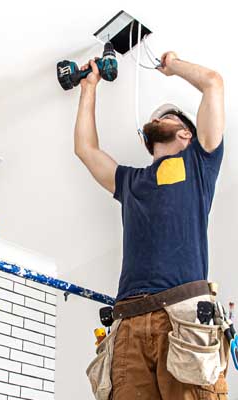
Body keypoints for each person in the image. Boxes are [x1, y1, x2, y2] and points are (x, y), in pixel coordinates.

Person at [74, 51, 227, 400]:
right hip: (129, 321)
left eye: (169, 116)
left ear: (187, 133)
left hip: (183, 316)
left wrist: (173, 67)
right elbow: (86, 149)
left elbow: (213, 83)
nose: (159, 116)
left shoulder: (200, 163)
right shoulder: (131, 181)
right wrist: (89, 89)